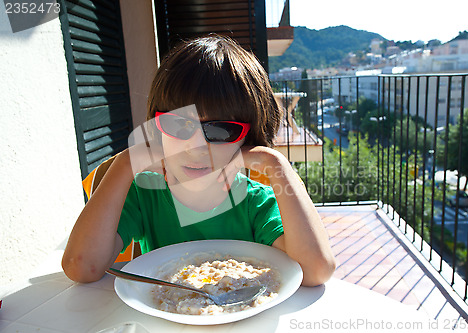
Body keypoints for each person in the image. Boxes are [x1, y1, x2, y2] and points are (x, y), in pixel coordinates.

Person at [62, 36, 335, 287]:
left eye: (220, 130)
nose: (196, 147)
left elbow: (315, 271)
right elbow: (82, 267)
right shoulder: (144, 195)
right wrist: (125, 163)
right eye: (178, 125)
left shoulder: (256, 203)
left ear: (247, 139)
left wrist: (276, 165)